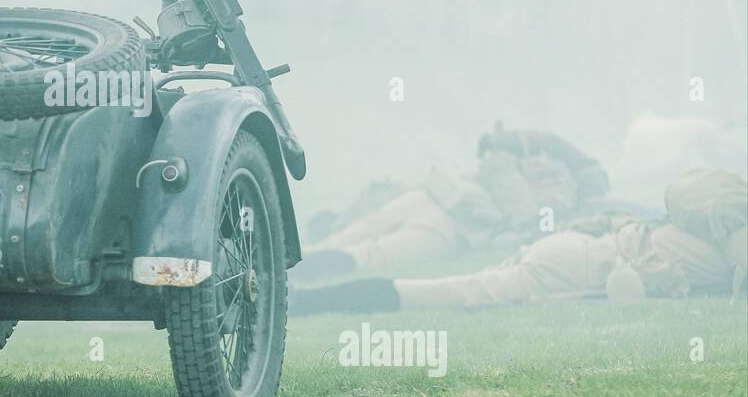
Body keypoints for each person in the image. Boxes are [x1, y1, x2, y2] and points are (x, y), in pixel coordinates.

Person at [291, 169, 748, 313]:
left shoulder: (707, 223)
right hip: (575, 266)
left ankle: (302, 292)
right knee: (451, 293)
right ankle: (311, 302)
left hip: (570, 247)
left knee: (366, 248)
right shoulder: (735, 240)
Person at [303, 123, 610, 275]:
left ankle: (303, 269)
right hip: (446, 206)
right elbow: (503, 165)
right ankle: (297, 263)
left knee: (370, 254)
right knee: (356, 240)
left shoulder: (560, 209)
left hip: (457, 224)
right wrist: (525, 222)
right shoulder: (519, 164)